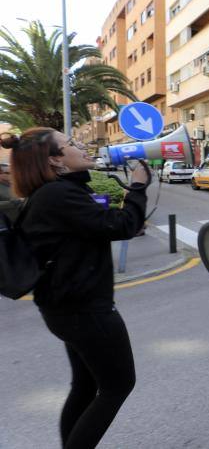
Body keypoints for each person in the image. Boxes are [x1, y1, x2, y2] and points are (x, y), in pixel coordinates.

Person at [2, 129, 148, 449]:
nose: (81, 146)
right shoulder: (57, 195)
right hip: (86, 312)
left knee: (85, 386)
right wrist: (138, 186)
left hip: (66, 310)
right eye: (71, 144)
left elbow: (97, 227)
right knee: (117, 386)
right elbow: (122, 225)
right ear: (56, 160)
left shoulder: (54, 193)